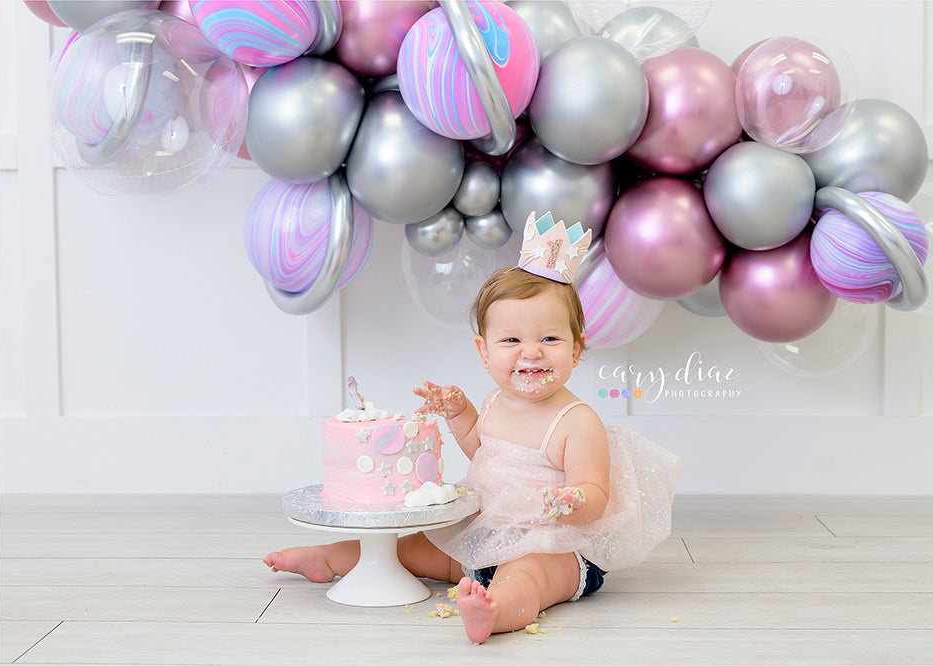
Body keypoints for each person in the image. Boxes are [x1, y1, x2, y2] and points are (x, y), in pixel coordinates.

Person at [265, 213, 680, 644]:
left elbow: (595, 492)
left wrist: (574, 500)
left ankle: (496, 611)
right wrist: (460, 414)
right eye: (511, 340)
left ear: (576, 349)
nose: (532, 352)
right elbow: (483, 451)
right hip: (484, 536)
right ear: (484, 352)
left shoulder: (576, 423)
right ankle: (329, 558)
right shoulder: (495, 401)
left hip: (554, 544)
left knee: (528, 576)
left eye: (551, 340)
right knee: (405, 547)